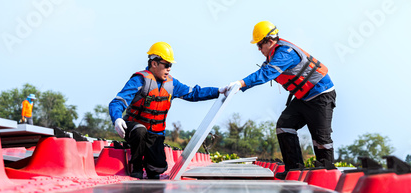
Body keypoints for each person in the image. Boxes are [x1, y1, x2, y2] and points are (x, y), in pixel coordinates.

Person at [223, 21, 337, 179]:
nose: (258, 49)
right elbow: (263, 70)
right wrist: (237, 87)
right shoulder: (273, 55)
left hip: (320, 95)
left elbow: (265, 74)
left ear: (269, 41)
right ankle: (294, 169)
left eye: (259, 45)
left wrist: (241, 83)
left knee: (321, 138)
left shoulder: (285, 53)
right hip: (303, 97)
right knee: (284, 126)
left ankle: (327, 174)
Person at [109, 42, 226, 179]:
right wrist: (117, 118)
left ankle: (149, 162)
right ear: (154, 64)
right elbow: (118, 102)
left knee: (157, 169)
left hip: (155, 134)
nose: (169, 69)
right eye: (166, 65)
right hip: (135, 129)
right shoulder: (139, 81)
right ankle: (136, 166)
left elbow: (194, 93)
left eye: (171, 65)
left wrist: (218, 91)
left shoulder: (171, 84)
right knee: (140, 130)